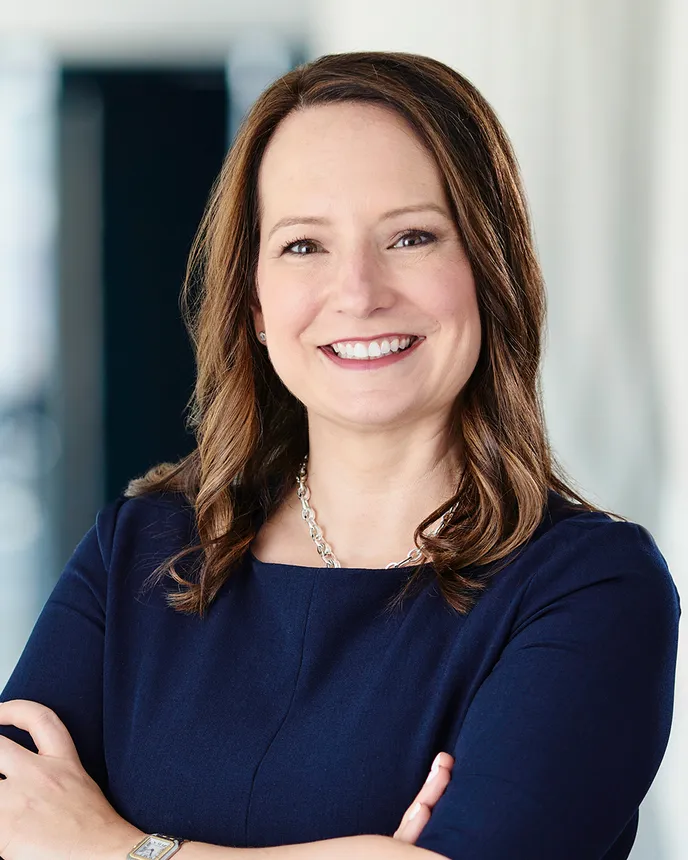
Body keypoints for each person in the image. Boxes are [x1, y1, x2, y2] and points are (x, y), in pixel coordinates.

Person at [0, 50, 680, 860]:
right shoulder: (141, 551)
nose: (358, 291)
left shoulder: (590, 587)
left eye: (412, 236)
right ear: (252, 300)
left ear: (491, 272)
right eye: (302, 247)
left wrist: (115, 847)